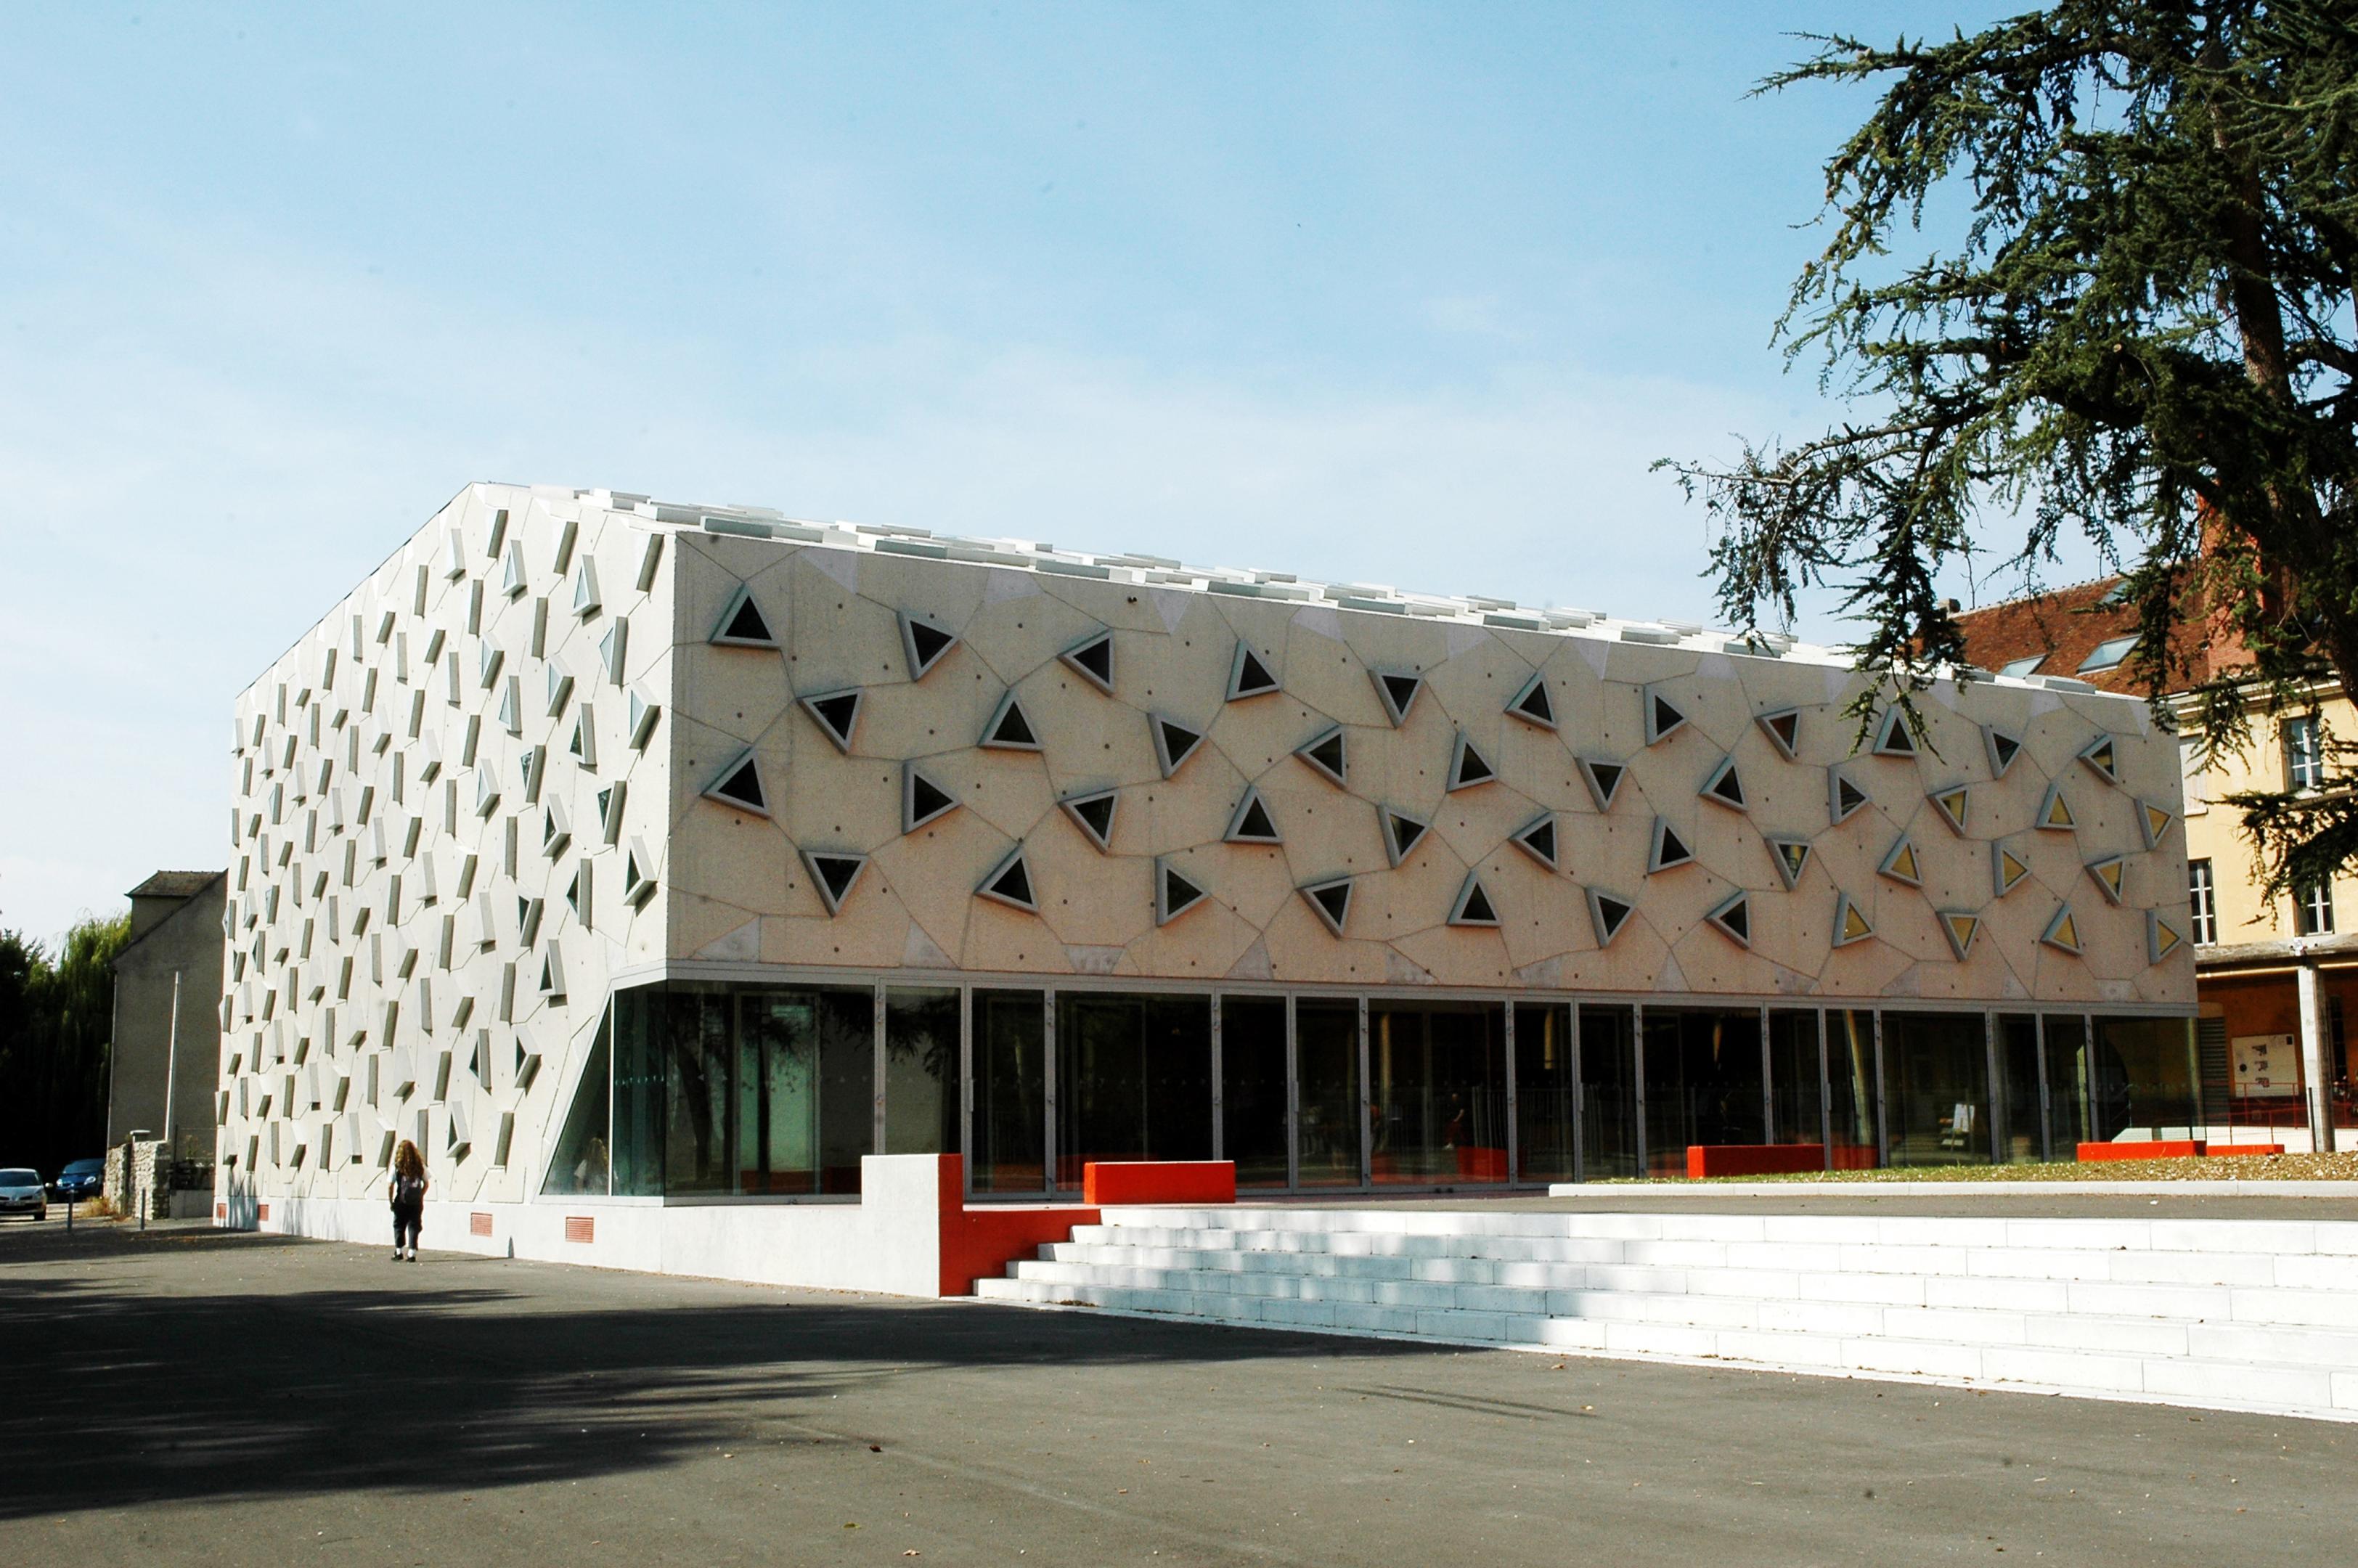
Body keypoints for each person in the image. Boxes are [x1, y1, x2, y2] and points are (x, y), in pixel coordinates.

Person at [388, 1139, 428, 1261]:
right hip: (416, 1203)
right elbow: (426, 1184)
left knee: (399, 1225)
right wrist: (420, 1195)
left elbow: (390, 1185)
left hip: (401, 1201)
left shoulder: (397, 1167)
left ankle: (399, 1251)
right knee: (414, 1226)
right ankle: (412, 1253)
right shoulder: (420, 1166)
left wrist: (391, 1201)